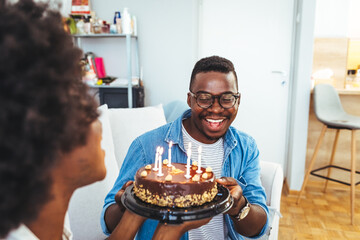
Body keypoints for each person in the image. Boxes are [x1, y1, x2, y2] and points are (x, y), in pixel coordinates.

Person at [0, 1, 207, 239]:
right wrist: (170, 230)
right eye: (83, 104)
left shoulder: (44, 219)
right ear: (40, 133)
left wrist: (138, 208)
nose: (99, 122)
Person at [101, 55, 269, 240]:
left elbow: (258, 228)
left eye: (227, 98)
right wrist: (129, 204)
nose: (215, 109)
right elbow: (109, 222)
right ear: (189, 99)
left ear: (238, 100)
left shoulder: (246, 147)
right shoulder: (145, 146)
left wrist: (240, 206)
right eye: (204, 98)